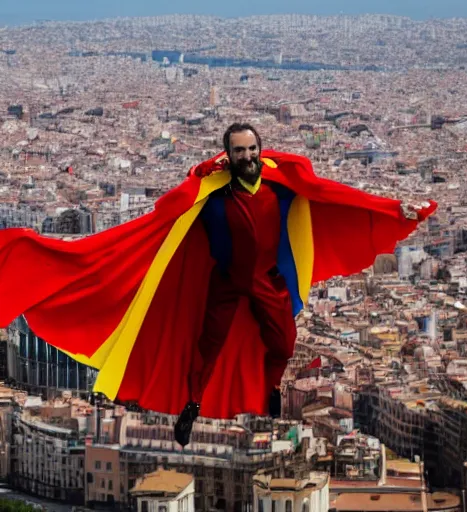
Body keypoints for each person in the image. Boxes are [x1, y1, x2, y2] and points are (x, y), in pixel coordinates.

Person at [0, 122, 436, 448]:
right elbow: (167, 207)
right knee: (205, 349)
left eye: (251, 149)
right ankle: (190, 407)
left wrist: (398, 209)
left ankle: (268, 389)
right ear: (227, 155)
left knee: (283, 343)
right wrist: (199, 173)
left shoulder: (283, 191)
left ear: (260, 151)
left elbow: (332, 194)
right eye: (237, 151)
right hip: (225, 282)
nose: (246, 156)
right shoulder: (210, 195)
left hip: (267, 282)